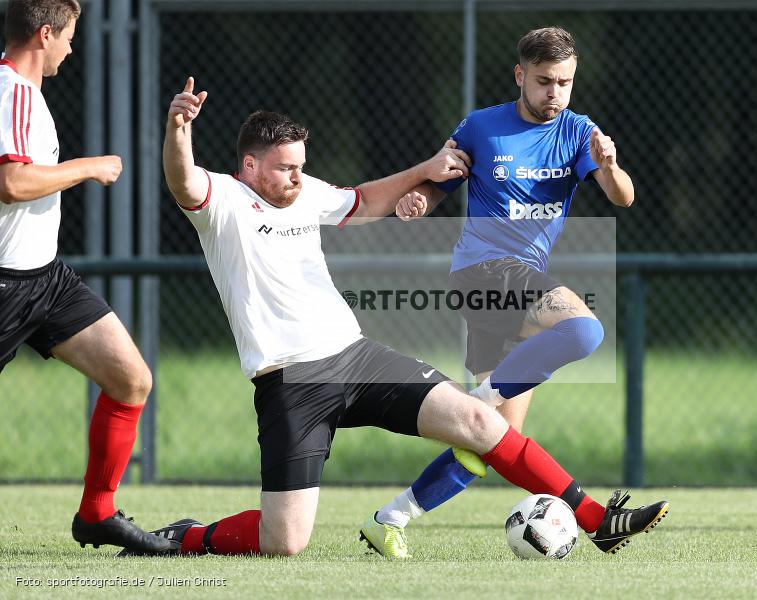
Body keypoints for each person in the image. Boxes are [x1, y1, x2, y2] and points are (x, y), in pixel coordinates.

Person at [117, 77, 666, 558]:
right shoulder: (223, 202)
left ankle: (597, 520)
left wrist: (425, 172)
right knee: (284, 542)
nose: (296, 177)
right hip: (291, 383)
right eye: (285, 168)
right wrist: (178, 129)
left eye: (301, 166)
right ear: (249, 166)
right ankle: (183, 538)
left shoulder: (304, 193)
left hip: (355, 356)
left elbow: (361, 201)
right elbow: (181, 181)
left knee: (481, 422)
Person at [366, 26, 657, 558]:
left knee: (492, 441)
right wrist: (419, 203)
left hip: (516, 278)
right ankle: (592, 516)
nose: (555, 94)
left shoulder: (578, 131)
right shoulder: (481, 127)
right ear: (520, 76)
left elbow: (625, 198)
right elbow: (440, 181)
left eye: (565, 83)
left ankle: (391, 517)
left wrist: (611, 166)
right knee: (584, 328)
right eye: (545, 81)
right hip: (484, 270)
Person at [0, 0, 169, 553]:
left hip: (44, 281)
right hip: (4, 286)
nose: (72, 49)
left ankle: (97, 515)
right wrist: (89, 166)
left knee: (131, 379)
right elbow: (14, 183)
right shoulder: (13, 93)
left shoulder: (29, 95)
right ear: (45, 33)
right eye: (69, 36)